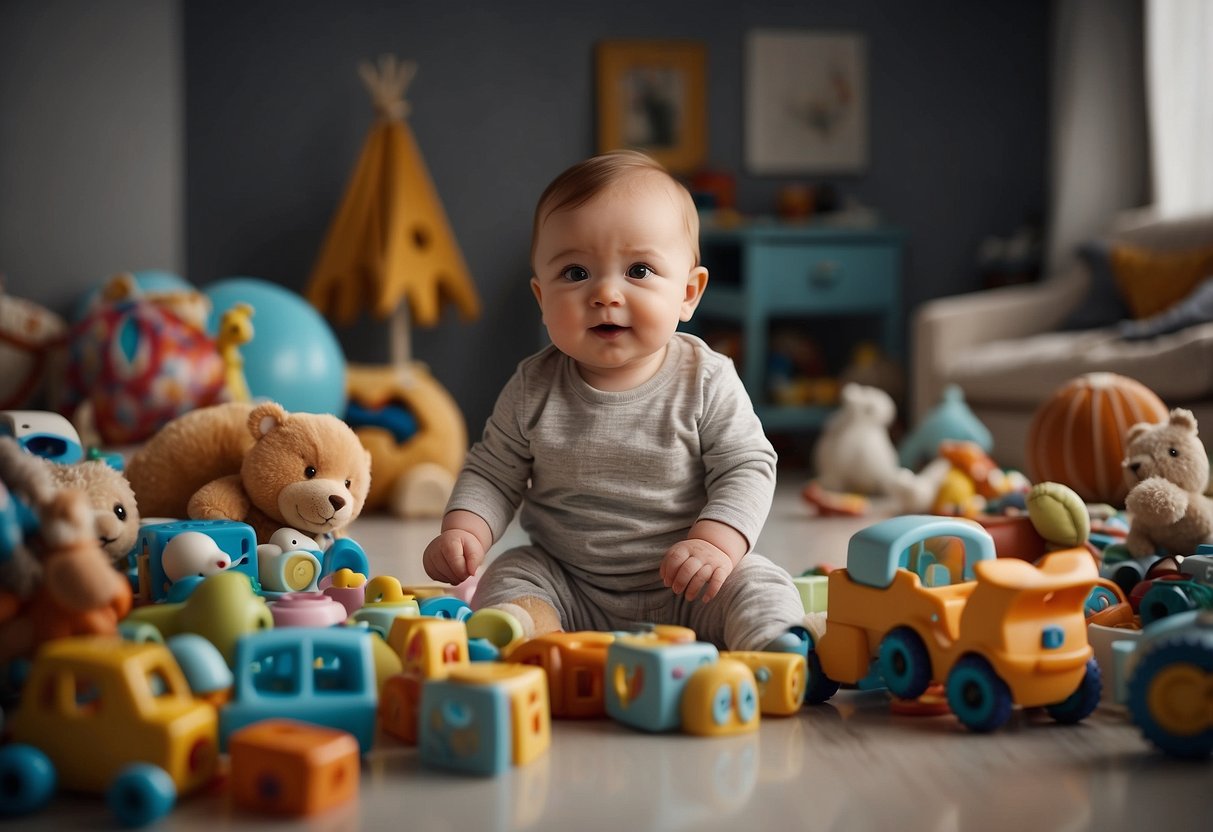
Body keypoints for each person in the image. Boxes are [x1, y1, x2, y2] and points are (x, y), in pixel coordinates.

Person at [422, 149, 808, 652]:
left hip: (690, 584)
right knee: (512, 571)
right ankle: (532, 637)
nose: (605, 293)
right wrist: (465, 531)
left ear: (689, 293)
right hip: (570, 584)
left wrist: (715, 543)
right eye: (576, 273)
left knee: (757, 580)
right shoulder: (532, 387)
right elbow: (493, 473)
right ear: (542, 299)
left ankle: (777, 645)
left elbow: (748, 466)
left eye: (640, 270)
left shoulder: (705, 379)